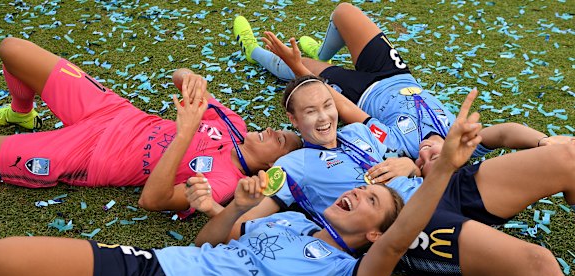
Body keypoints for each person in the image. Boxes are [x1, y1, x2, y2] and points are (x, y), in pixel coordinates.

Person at [0, 84, 481, 276]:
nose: (355, 193)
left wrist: (439, 171)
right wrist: (234, 208)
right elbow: (208, 241)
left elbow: (401, 239)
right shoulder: (288, 217)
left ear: (375, 235)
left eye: (370, 201)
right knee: (1, 257)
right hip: (155, 266)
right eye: (361, 190)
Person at [187, 70, 575, 276]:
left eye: (326, 105)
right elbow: (246, 223)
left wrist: (410, 162)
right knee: (537, 264)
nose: (323, 118)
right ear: (293, 121)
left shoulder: (362, 132)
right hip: (412, 224)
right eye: (309, 112)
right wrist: (216, 208)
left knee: (566, 157)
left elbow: (413, 151)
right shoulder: (292, 166)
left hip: (441, 184)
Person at [232, 9, 574, 176]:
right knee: (344, 13)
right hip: (397, 74)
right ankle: (320, 53)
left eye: (422, 165)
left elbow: (349, 111)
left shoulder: (400, 147)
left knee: (293, 63)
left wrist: (302, 72)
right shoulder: (462, 143)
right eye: (434, 157)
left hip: (361, 91)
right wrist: (542, 141)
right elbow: (504, 133)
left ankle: (252, 50)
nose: (424, 154)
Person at [0, 37, 301, 214]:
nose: (273, 130)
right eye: (280, 128)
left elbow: (152, 201)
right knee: (12, 50)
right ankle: (22, 113)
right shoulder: (233, 123)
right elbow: (179, 78)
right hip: (113, 112)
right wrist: (190, 76)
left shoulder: (223, 183)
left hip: (93, 156)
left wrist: (184, 135)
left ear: (272, 165)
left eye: (281, 140)